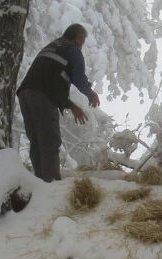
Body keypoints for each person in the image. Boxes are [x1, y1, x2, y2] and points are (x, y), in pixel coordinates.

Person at [17, 23, 101, 182]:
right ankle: (51, 184)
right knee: (49, 141)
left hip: (25, 94)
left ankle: (40, 182)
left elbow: (49, 82)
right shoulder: (72, 49)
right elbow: (78, 77)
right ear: (78, 37)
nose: (82, 45)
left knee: (36, 141)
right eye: (83, 41)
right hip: (42, 96)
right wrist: (90, 93)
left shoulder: (53, 47)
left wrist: (71, 106)